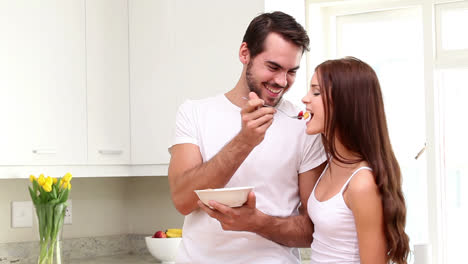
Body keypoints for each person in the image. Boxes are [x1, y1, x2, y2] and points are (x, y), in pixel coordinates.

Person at [168, 11, 326, 263]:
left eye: (291, 71)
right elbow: (183, 200)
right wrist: (245, 141)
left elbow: (314, 230)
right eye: (273, 67)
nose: (281, 81)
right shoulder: (194, 113)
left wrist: (257, 222)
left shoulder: (303, 125)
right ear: (245, 53)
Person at [301, 57, 410, 264]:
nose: (305, 99)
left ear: (344, 104)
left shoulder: (361, 184)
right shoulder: (332, 163)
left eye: (316, 92)